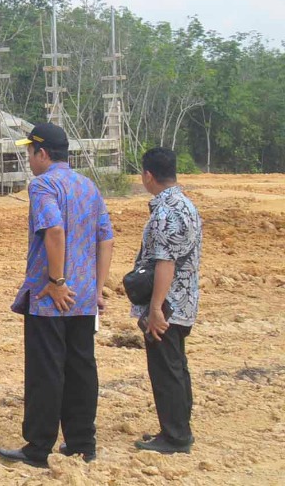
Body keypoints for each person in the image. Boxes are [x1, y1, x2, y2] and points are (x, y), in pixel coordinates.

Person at [0, 123, 114, 468]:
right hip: (83, 297)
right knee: (81, 368)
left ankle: (38, 446)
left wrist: (56, 279)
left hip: (51, 297)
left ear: (42, 152)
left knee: (45, 371)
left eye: (30, 153)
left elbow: (54, 229)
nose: (29, 160)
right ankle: (82, 443)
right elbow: (105, 237)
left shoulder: (43, 184)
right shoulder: (88, 185)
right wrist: (97, 288)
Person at [132, 147, 202, 454]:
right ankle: (178, 428)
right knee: (177, 366)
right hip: (184, 300)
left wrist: (156, 308)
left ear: (148, 176)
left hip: (168, 304)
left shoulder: (165, 211)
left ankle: (175, 436)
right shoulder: (186, 206)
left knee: (166, 370)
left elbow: (165, 262)